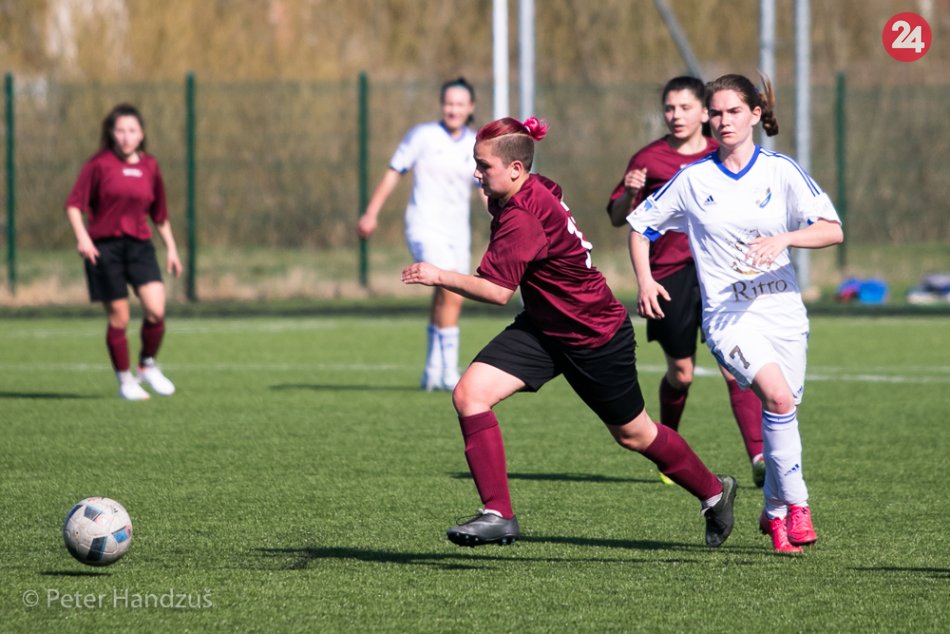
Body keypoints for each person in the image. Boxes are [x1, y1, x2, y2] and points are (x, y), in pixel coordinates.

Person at [402, 116, 737, 549]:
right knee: (470, 395)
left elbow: (497, 291)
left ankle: (715, 492)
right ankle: (498, 514)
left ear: (516, 169)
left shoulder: (522, 216)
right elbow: (546, 195)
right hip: (544, 328)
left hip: (594, 334)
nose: (477, 173)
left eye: (484, 165)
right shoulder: (530, 188)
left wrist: (438, 275)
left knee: (634, 434)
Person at [625, 74, 843, 553]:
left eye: (733, 111)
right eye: (716, 113)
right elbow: (639, 226)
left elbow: (832, 229)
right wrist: (645, 280)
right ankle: (799, 507)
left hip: (782, 310)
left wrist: (785, 238)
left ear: (755, 115)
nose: (723, 121)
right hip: (728, 315)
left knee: (782, 410)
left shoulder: (781, 171)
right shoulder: (694, 179)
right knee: (778, 398)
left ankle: (774, 513)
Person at [607, 76, 765, 488]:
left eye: (685, 107)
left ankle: (759, 455)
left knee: (734, 366)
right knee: (682, 374)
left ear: (704, 113)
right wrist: (628, 194)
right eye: (669, 108)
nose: (676, 115)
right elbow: (619, 218)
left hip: (719, 273)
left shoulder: (721, 154)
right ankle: (667, 449)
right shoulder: (648, 159)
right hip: (670, 276)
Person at [358, 77, 483, 392]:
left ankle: (432, 369)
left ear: (470, 107)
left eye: (459, 104)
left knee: (445, 293)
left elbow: (485, 189)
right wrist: (371, 213)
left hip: (458, 233)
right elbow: (394, 172)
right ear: (442, 105)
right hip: (424, 226)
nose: (453, 109)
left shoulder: (475, 145)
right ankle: (449, 371)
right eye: (448, 103)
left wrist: (505, 217)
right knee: (452, 289)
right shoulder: (422, 136)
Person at [66, 103, 181, 401]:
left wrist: (171, 248)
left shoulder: (150, 166)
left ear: (141, 134)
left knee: (156, 310)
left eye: (132, 130)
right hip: (105, 249)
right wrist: (83, 238)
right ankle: (125, 380)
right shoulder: (99, 165)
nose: (126, 136)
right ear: (111, 133)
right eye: (120, 130)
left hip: (140, 246)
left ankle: (146, 365)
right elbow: (74, 205)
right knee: (119, 317)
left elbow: (160, 214)